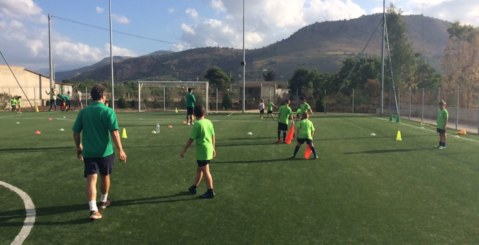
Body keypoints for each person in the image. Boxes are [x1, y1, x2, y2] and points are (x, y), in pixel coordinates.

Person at [72, 84, 127, 220]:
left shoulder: (84, 112)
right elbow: (114, 132)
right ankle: (103, 201)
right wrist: (121, 150)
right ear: (103, 96)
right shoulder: (108, 111)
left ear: (91, 97)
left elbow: (76, 131)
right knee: (105, 175)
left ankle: (93, 209)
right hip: (105, 152)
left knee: (91, 179)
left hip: (89, 152)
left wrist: (79, 146)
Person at [180, 105, 216, 199]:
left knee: (205, 171)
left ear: (194, 114)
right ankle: (194, 187)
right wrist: (213, 148)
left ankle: (210, 191)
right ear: (204, 113)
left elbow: (191, 139)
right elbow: (213, 136)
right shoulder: (209, 122)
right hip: (208, 149)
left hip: (202, 151)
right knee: (199, 169)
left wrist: (184, 150)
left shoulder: (197, 124)